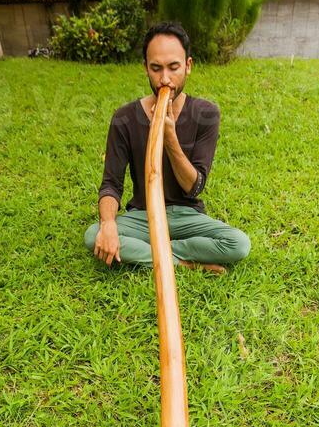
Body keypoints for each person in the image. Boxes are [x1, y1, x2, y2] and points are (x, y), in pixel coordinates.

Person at [84, 21, 251, 275]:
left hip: (187, 216)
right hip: (143, 216)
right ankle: (185, 263)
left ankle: (153, 253)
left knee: (238, 244)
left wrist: (170, 138)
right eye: (156, 68)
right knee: (93, 235)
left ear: (188, 66)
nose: (165, 79)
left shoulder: (206, 114)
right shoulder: (124, 118)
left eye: (173, 68)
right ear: (145, 69)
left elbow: (194, 185)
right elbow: (111, 184)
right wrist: (108, 224)